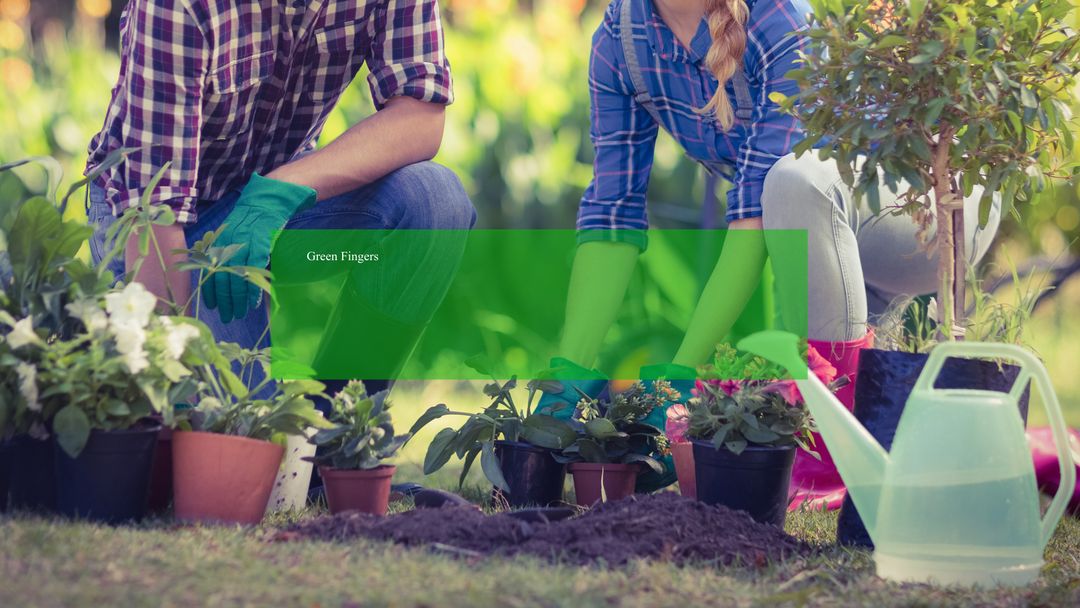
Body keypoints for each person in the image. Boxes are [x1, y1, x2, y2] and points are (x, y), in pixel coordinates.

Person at [538, 0, 1000, 502]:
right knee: (795, 194)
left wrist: (681, 376)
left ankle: (828, 458)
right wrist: (571, 370)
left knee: (793, 182)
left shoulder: (776, 18)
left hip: (932, 203)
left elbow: (758, 216)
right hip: (826, 234)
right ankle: (850, 425)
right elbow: (612, 212)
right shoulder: (623, 38)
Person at [83, 0, 476, 392]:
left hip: (275, 210)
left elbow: (419, 117)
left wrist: (281, 189)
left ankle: (341, 422)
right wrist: (169, 363)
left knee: (434, 200)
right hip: (156, 220)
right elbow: (156, 207)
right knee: (239, 433)